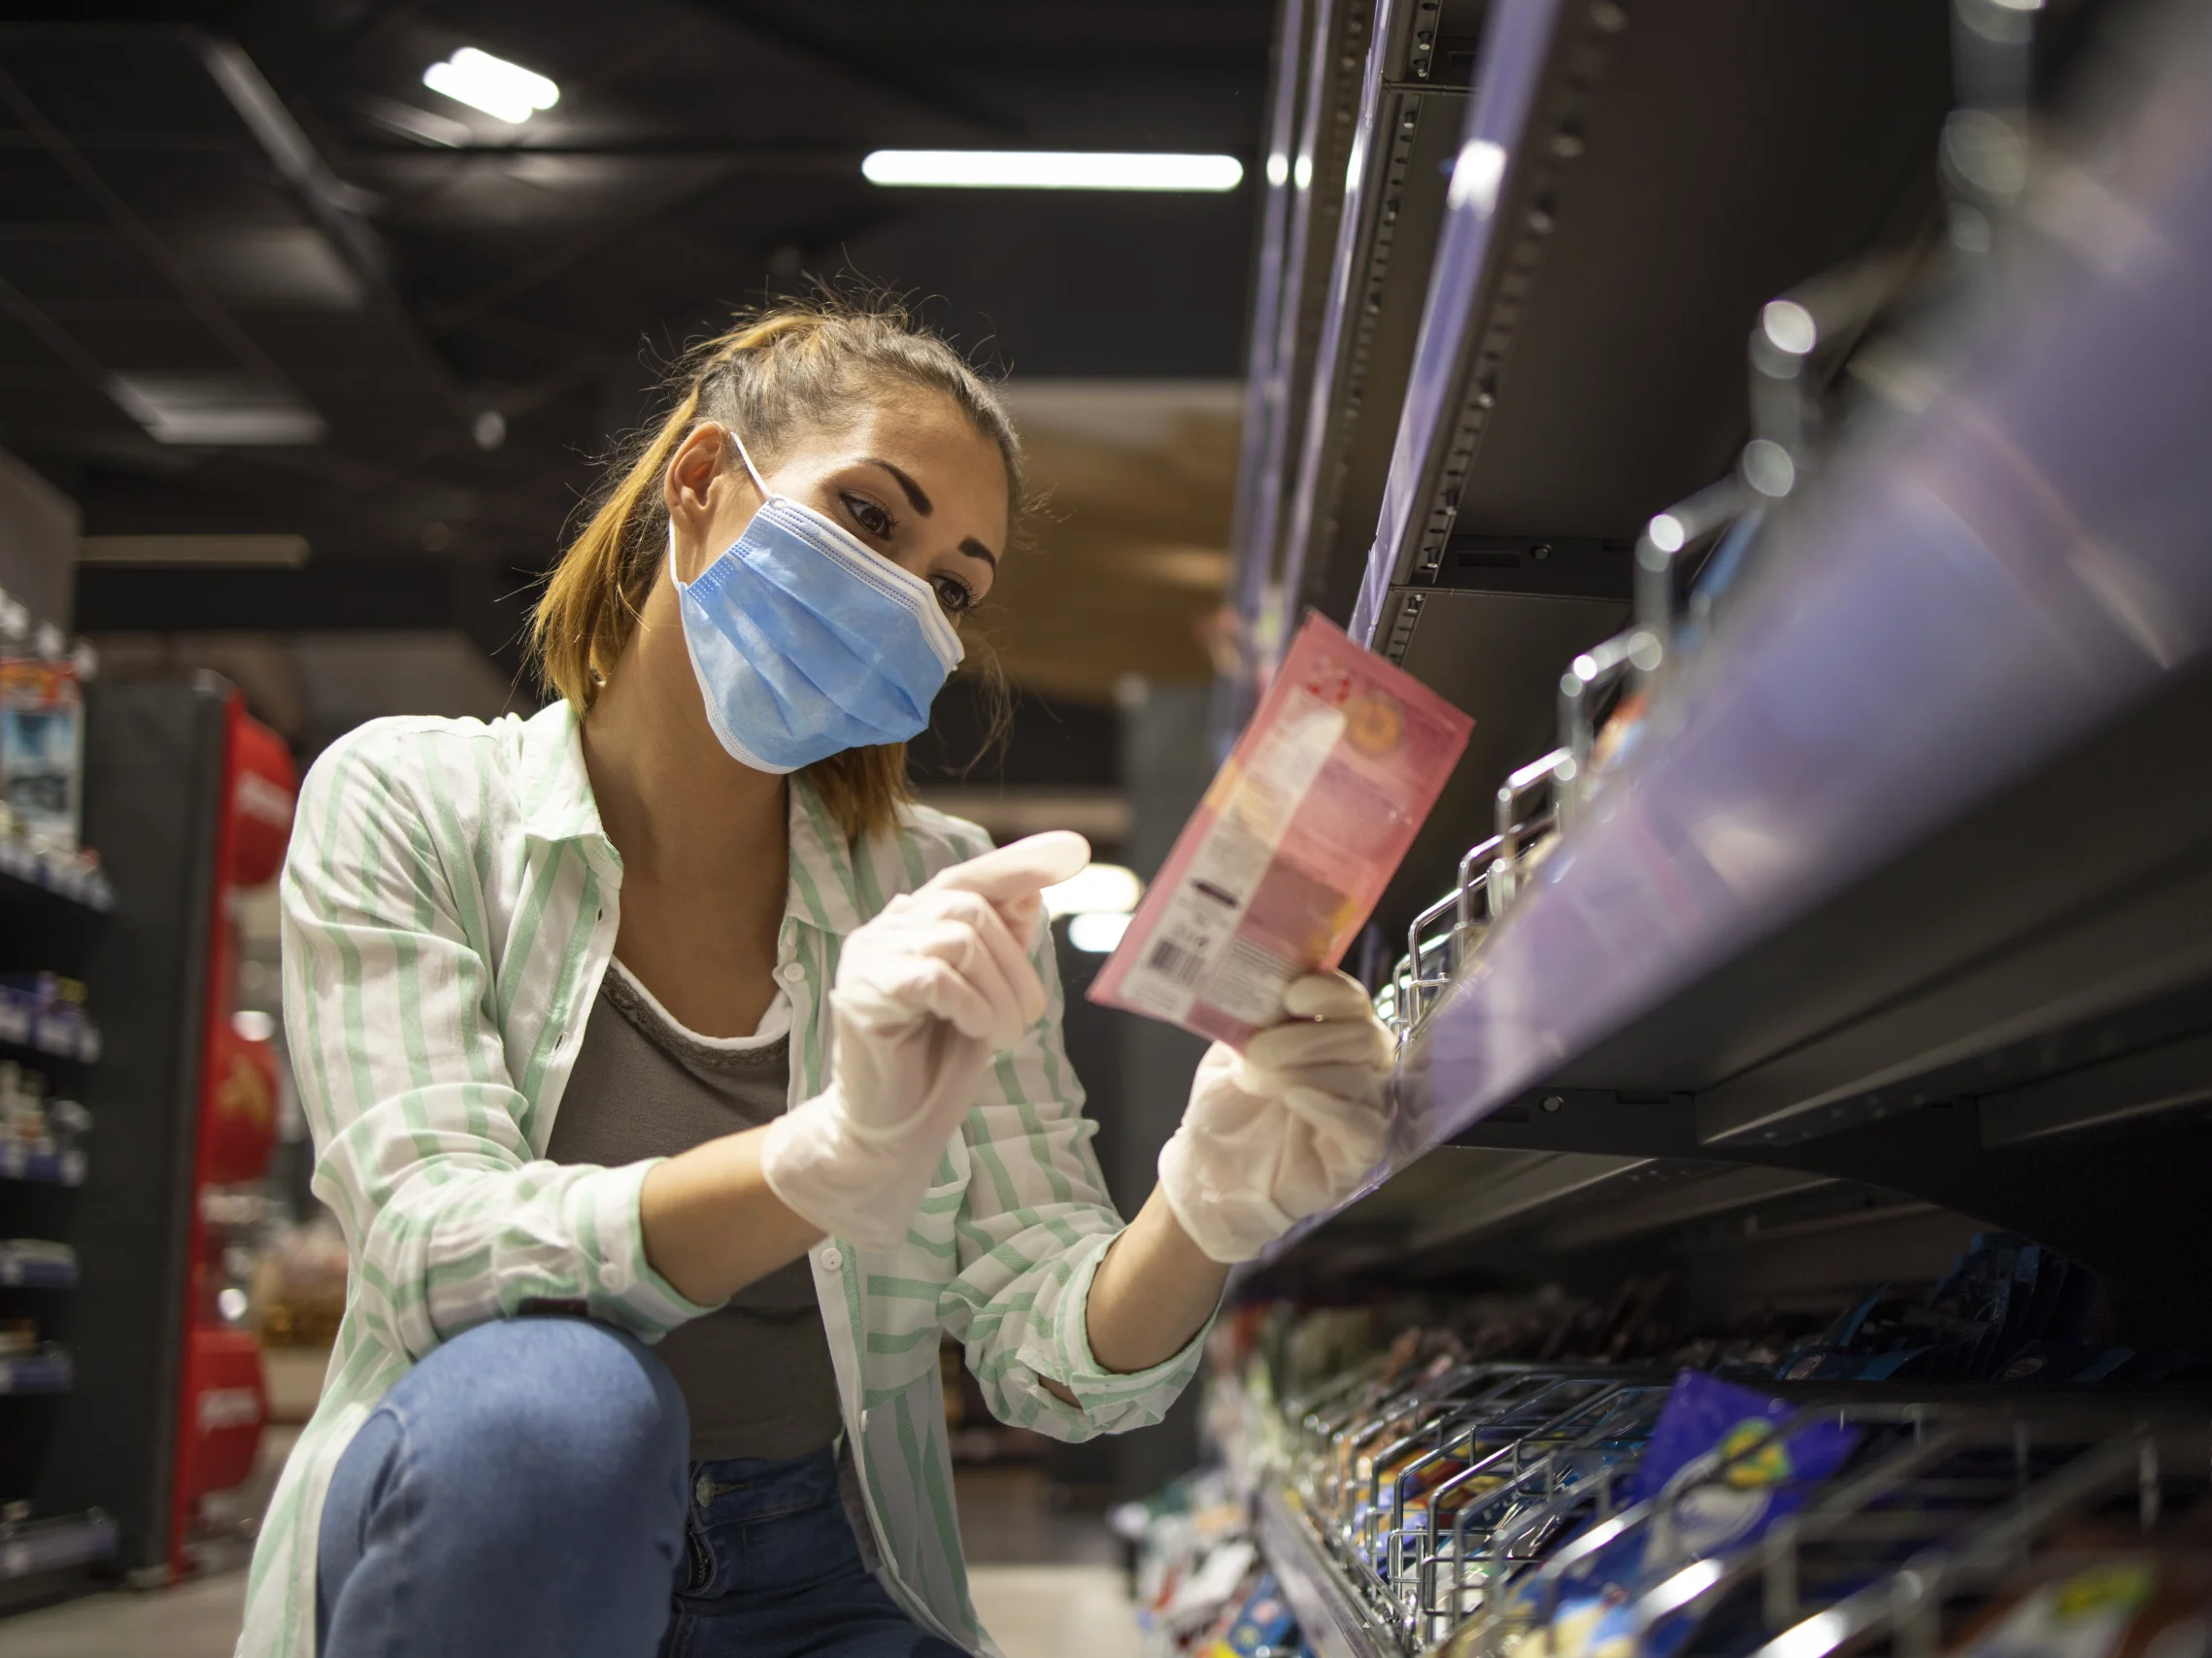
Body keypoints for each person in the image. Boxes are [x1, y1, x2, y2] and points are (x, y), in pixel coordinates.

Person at [238, 298, 1393, 1658]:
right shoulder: (411, 802)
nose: (907, 597)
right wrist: (821, 1162)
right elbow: (435, 1250)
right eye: (868, 515)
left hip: (819, 1562)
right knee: (559, 1406)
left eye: (954, 588)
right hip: (502, 1526)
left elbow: (1050, 1354)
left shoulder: (939, 888)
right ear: (701, 482)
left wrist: (1206, 1202)